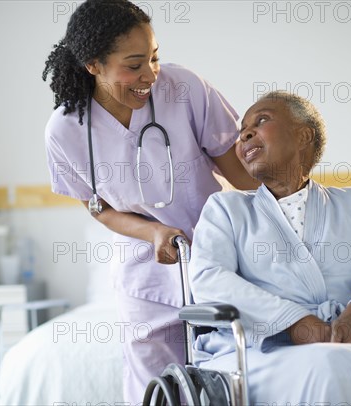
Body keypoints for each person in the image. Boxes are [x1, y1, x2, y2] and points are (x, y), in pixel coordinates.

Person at [41, 0, 258, 401]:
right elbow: (98, 208)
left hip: (219, 259)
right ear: (93, 64)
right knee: (155, 389)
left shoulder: (185, 88)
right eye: (134, 64)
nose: (150, 75)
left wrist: (290, 175)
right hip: (143, 275)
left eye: (154, 58)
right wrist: (152, 231)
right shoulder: (66, 131)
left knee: (231, 380)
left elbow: (243, 176)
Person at [189, 91, 351, 405]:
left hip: (342, 338)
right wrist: (295, 322)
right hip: (254, 349)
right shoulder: (226, 208)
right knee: (326, 364)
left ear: (303, 136)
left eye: (261, 120)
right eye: (241, 131)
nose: (245, 134)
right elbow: (209, 278)